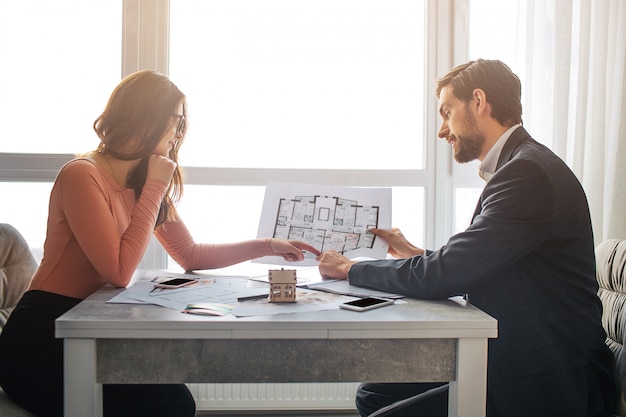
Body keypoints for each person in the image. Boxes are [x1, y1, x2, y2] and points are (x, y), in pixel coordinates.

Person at [0, 69, 320, 417]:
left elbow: (189, 254)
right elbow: (119, 271)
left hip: (91, 323)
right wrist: (154, 186)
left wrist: (269, 245)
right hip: (43, 331)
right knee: (165, 406)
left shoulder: (142, 183)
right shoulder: (82, 174)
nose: (179, 134)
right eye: (176, 121)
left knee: (176, 401)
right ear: (145, 117)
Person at [317, 59, 615, 417]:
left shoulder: (527, 173)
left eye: (447, 112)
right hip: (528, 356)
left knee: (382, 410)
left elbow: (450, 271)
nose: (443, 131)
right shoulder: (522, 165)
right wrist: (416, 253)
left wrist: (351, 269)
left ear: (478, 101)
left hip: (550, 377)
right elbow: (480, 265)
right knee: (373, 394)